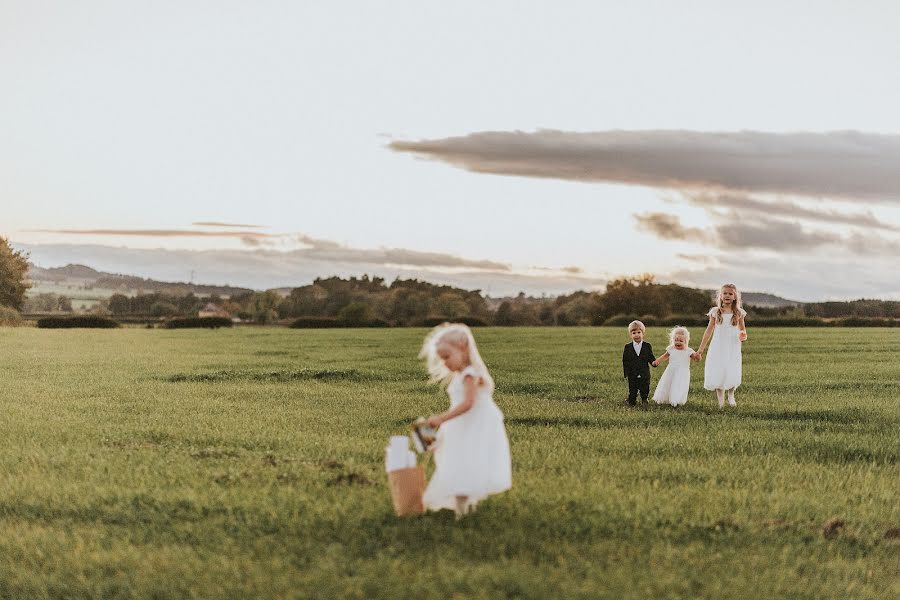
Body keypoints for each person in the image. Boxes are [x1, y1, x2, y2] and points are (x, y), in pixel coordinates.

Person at [419, 323, 511, 517]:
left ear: (463, 348)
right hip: (464, 422)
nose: (445, 363)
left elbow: (468, 403)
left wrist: (441, 419)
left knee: (463, 461)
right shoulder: (462, 375)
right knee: (460, 460)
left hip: (474, 422)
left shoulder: (470, 374)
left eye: (447, 357)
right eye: (442, 359)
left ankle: (463, 512)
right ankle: (464, 509)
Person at [695, 283, 748, 408]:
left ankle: (731, 394)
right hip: (718, 346)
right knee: (718, 369)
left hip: (732, 346)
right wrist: (701, 349)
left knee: (731, 369)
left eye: (730, 293)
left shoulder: (739, 313)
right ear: (721, 296)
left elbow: (743, 331)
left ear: (735, 297)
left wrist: (743, 336)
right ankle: (721, 402)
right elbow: (708, 331)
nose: (727, 296)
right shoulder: (715, 312)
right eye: (725, 293)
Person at [652, 326, 699, 407]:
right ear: (673, 340)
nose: (678, 342)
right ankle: (664, 398)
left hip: (682, 372)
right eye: (676, 340)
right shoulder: (671, 349)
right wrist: (657, 361)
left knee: (678, 386)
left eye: (681, 341)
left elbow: (696, 359)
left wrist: (698, 356)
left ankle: (676, 400)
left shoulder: (689, 351)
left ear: (686, 341)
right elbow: (665, 356)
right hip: (671, 370)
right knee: (667, 384)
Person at [622, 320, 657, 406]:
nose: (636, 335)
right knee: (632, 388)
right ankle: (632, 400)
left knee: (645, 387)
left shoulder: (647, 346)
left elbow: (650, 357)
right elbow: (625, 360)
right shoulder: (628, 347)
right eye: (634, 333)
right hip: (632, 373)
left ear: (643, 333)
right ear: (630, 335)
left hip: (644, 372)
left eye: (639, 332)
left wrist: (653, 362)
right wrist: (626, 372)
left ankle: (644, 399)